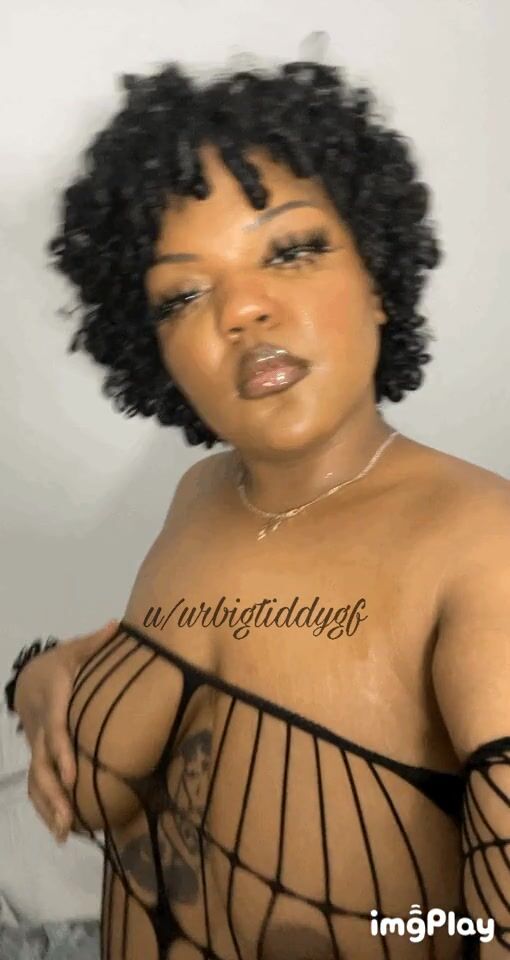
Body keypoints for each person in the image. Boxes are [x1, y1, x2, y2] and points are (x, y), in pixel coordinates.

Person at [8, 56, 510, 960]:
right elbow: (193, 671)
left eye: (291, 251)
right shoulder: (201, 496)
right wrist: (38, 674)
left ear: (379, 279)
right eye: (183, 294)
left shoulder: (483, 548)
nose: (242, 310)